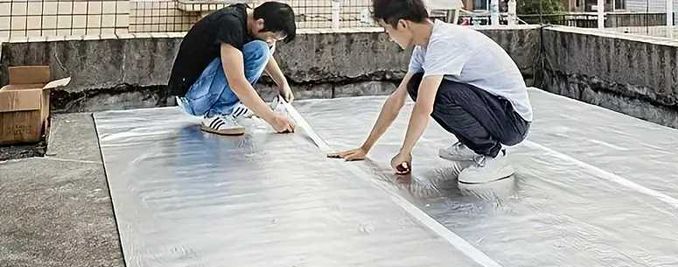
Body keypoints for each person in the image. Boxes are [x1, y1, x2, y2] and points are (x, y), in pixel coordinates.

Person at [330, 0, 532, 184]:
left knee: (439, 93)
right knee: (416, 84)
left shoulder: (444, 41)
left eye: (387, 30)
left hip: (513, 121)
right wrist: (365, 148)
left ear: (403, 24)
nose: (389, 38)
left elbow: (424, 107)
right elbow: (397, 99)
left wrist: (405, 152)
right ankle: (472, 144)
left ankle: (494, 155)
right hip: (496, 111)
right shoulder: (424, 46)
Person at [167, 2, 297, 136]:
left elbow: (265, 55)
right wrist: (273, 119)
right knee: (254, 52)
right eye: (272, 37)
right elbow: (236, 81)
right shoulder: (231, 24)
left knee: (262, 49)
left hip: (204, 87)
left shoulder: (247, 17)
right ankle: (217, 114)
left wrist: (282, 83)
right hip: (192, 98)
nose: (272, 41)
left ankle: (228, 107)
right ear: (260, 23)